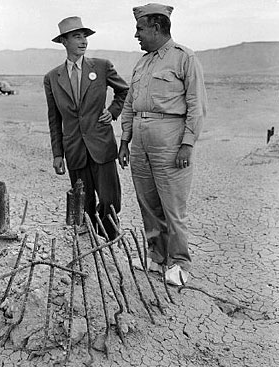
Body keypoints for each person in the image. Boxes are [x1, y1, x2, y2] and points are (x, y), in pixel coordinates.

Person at [118, 3, 207, 286]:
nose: (136, 36)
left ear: (156, 28)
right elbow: (131, 104)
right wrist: (125, 140)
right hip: (141, 142)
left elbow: (196, 105)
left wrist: (187, 144)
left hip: (170, 140)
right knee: (148, 202)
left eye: (140, 29)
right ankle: (156, 258)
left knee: (173, 205)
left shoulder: (185, 58)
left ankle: (179, 263)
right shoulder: (142, 62)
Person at [44, 16, 129, 240]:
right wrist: (57, 154)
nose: (83, 41)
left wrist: (112, 111)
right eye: (76, 36)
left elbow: (124, 91)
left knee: (110, 201)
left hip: (101, 146)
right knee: (84, 202)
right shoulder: (52, 78)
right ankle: (90, 245)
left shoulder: (101, 66)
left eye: (85, 36)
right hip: (74, 150)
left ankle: (109, 242)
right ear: (64, 41)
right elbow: (54, 119)